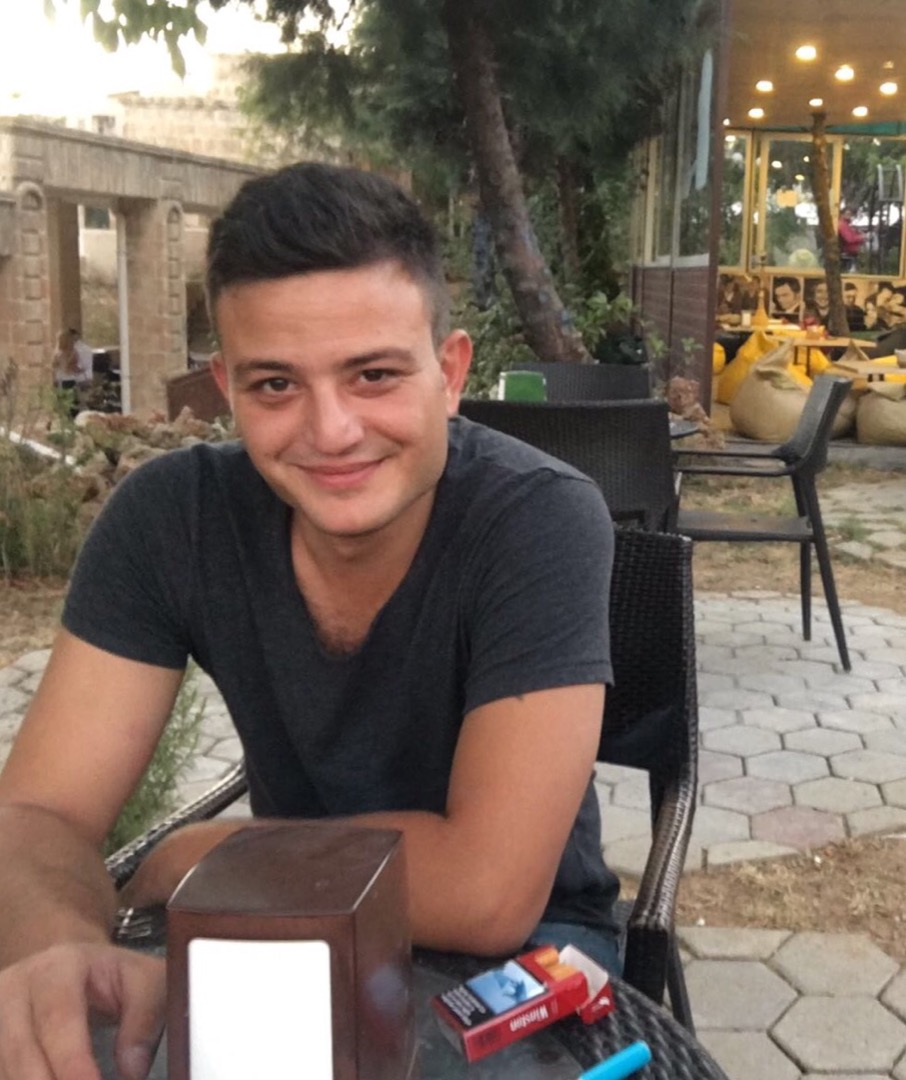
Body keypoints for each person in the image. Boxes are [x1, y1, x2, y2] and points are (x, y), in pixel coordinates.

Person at [0, 162, 619, 1080]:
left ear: (449, 372)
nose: (330, 432)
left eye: (374, 375)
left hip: (524, 950)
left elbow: (488, 891)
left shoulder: (538, 518)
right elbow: (37, 812)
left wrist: (209, 849)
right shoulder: (172, 518)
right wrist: (60, 948)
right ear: (226, 386)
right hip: (274, 920)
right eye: (275, 386)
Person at [837, 207, 866, 272]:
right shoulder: (843, 225)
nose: (849, 216)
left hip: (850, 253)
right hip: (847, 253)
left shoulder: (847, 225)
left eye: (850, 214)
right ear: (842, 214)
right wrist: (862, 237)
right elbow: (849, 239)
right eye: (847, 214)